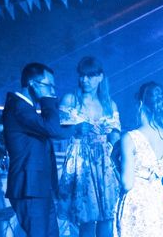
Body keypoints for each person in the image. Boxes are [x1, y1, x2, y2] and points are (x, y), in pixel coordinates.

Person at [2, 62, 71, 237]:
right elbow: (53, 129)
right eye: (49, 86)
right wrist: (48, 100)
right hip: (29, 187)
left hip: (38, 186)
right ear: (33, 83)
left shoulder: (27, 109)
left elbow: (49, 130)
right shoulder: (19, 107)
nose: (52, 91)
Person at [58, 56, 121, 237]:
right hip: (81, 161)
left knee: (107, 217)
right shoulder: (71, 100)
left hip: (104, 162)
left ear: (100, 76)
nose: (84, 80)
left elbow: (115, 138)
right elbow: (58, 132)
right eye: (82, 76)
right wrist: (75, 129)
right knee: (86, 218)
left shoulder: (109, 104)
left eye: (90, 76)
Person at [114, 81, 163, 237]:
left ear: (140, 104)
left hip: (136, 203)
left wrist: (115, 164)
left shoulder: (130, 138)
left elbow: (127, 184)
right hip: (160, 202)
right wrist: (156, 197)